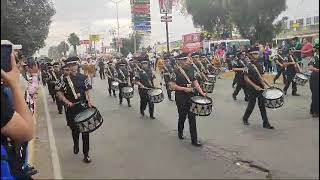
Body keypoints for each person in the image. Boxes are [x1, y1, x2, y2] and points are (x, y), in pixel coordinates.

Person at [1, 53, 35, 178]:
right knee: (20, 147)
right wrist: (14, 84)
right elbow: (27, 132)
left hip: (18, 117)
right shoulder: (13, 80)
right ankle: (23, 166)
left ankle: (23, 165)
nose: (20, 66)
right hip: (17, 121)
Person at [57, 56, 93, 163]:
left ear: (78, 65)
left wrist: (90, 101)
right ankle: (76, 143)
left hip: (83, 106)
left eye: (75, 65)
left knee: (85, 131)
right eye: (71, 65)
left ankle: (86, 154)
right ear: (68, 66)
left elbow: (87, 90)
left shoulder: (83, 77)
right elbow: (59, 92)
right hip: (72, 108)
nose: (74, 67)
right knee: (75, 130)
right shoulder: (64, 80)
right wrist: (66, 101)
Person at [169, 53, 207, 147]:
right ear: (179, 61)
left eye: (187, 59)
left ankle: (194, 140)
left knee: (192, 117)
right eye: (184, 60)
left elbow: (195, 82)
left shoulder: (191, 68)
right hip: (181, 97)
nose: (186, 61)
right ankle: (180, 132)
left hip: (191, 96)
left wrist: (202, 93)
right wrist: (184, 89)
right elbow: (171, 85)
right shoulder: (176, 71)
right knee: (182, 116)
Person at [242, 51, 274, 129]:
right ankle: (245, 118)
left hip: (259, 87)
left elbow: (261, 77)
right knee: (251, 105)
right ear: (251, 55)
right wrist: (255, 86)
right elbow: (246, 78)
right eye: (254, 54)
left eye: (257, 54)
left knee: (262, 105)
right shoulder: (247, 66)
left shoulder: (259, 65)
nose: (256, 55)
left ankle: (266, 123)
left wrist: (268, 85)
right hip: (251, 88)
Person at [308, 43, 319, 118]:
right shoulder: (314, 58)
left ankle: (313, 109)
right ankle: (315, 111)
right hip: (315, 77)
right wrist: (318, 70)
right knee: (315, 94)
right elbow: (310, 67)